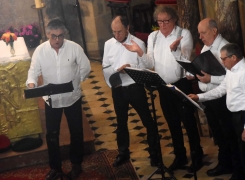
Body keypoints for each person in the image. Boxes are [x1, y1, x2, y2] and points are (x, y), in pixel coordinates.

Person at [124, 5, 203, 173]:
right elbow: (150, 63)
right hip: (163, 86)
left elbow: (186, 59)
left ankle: (198, 156)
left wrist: (175, 50)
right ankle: (180, 156)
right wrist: (139, 52)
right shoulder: (153, 37)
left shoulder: (184, 34)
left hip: (181, 84)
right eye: (159, 21)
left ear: (174, 19)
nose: (162, 25)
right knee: (172, 122)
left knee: (188, 122)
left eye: (166, 21)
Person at [188, 43, 245, 180]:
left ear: (234, 57)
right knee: (243, 154)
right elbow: (221, 89)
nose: (222, 62)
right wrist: (199, 97)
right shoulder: (231, 70)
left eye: (223, 59)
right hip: (236, 116)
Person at [26, 19, 91, 180]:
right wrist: (32, 83)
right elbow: (33, 70)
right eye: (54, 36)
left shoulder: (74, 48)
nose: (57, 40)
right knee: (52, 135)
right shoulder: (40, 51)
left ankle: (76, 164)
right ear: (47, 34)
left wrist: (77, 81)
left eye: (60, 36)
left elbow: (86, 67)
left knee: (76, 132)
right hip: (51, 100)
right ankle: (55, 167)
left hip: (72, 98)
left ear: (64, 35)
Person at [102, 15, 159, 167]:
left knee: (148, 121)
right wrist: (117, 71)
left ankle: (155, 155)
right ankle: (123, 153)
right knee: (121, 123)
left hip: (135, 88)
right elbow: (105, 67)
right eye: (114, 32)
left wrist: (130, 69)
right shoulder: (108, 44)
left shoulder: (138, 43)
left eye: (119, 31)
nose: (116, 35)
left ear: (127, 28)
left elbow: (145, 68)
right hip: (118, 89)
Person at [187, 18, 234, 177]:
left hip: (221, 99)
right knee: (218, 133)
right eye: (199, 33)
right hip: (209, 98)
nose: (200, 37)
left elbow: (232, 79)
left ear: (214, 31)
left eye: (203, 33)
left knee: (225, 133)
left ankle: (228, 164)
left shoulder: (225, 49)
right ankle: (225, 161)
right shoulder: (207, 46)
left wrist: (210, 79)